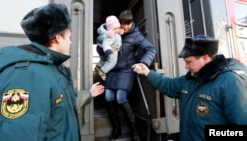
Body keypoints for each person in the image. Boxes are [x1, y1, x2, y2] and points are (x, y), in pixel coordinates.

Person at [0, 3, 104, 141]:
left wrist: (88, 93)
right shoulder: (28, 75)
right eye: (69, 37)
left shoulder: (50, 68)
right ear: (58, 37)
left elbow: (59, 108)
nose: (71, 43)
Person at [132, 34, 247, 141]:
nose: (186, 66)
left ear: (205, 58)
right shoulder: (191, 79)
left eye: (189, 62)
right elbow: (168, 85)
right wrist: (148, 73)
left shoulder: (231, 81)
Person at [104, 10, 156, 141]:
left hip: (126, 70)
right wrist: (106, 50)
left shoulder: (136, 35)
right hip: (112, 70)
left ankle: (135, 132)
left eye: (128, 24)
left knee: (121, 98)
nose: (125, 27)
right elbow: (101, 47)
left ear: (132, 22)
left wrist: (143, 63)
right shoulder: (112, 32)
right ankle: (117, 129)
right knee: (108, 97)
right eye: (122, 24)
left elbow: (151, 49)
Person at [95, 15, 123, 80]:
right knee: (112, 62)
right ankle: (102, 71)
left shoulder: (107, 33)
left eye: (118, 28)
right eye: (114, 29)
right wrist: (108, 51)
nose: (117, 30)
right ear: (110, 29)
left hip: (101, 48)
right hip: (107, 49)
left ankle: (98, 66)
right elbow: (106, 44)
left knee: (104, 60)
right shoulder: (109, 36)